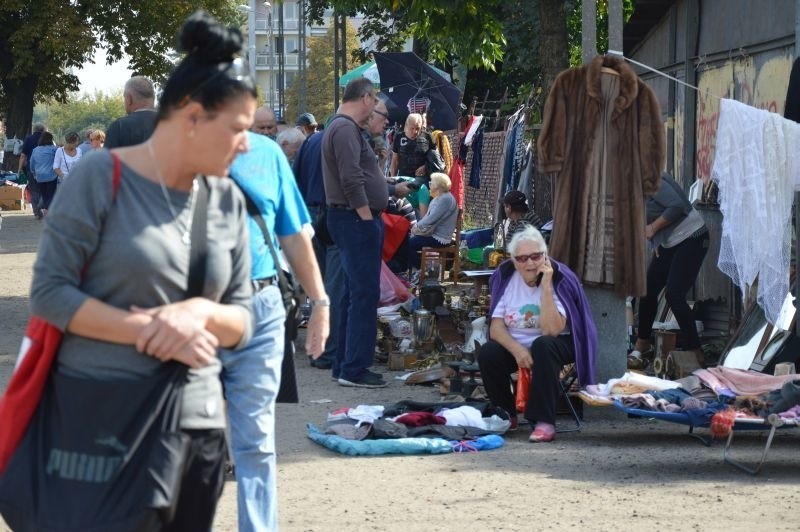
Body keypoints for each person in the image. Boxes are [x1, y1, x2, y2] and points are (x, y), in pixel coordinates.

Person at [29, 11, 257, 530]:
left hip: (196, 430)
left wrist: (198, 312)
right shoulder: (97, 177)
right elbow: (49, 294)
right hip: (102, 426)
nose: (246, 144)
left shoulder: (226, 199)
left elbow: (244, 319)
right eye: (238, 130)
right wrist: (151, 330)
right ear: (193, 116)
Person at [224, 131, 329, 531]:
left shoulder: (266, 154)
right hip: (191, 309)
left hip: (260, 303)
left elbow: (294, 234)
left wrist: (320, 303)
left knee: (255, 442)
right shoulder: (168, 148)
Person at [478, 226, 597, 443]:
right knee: (489, 352)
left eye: (535, 256)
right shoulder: (506, 278)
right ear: (514, 261)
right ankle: (505, 414)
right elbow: (495, 329)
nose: (530, 263)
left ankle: (545, 421)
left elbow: (551, 330)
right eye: (522, 259)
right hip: (518, 344)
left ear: (545, 255)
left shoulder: (559, 278)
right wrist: (518, 351)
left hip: (558, 342)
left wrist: (546, 287)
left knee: (544, 344)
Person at [321, 77, 388, 388]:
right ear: (365, 98)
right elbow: (350, 179)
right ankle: (354, 368)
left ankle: (344, 365)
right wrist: (364, 217)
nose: (374, 107)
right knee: (363, 295)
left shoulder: (341, 128)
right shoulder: (346, 129)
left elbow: (354, 176)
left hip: (348, 218)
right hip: (354, 220)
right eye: (374, 100)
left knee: (352, 293)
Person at [630, 172, 709, 367]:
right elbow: (654, 212)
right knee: (647, 289)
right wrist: (656, 241)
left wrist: (653, 229)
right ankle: (643, 345)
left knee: (674, 294)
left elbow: (676, 207)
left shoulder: (649, 178)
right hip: (669, 242)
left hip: (693, 237)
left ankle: (695, 352)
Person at [403, 172, 457, 271]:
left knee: (407, 244)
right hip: (433, 234)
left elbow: (431, 219)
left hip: (440, 237)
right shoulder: (440, 198)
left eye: (431, 183)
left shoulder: (445, 199)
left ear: (438, 186)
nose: (430, 185)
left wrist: (416, 227)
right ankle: (419, 269)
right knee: (407, 241)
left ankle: (421, 269)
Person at [104, 76, 157, 148]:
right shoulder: (172, 123)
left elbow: (107, 158)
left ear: (129, 99)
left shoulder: (119, 127)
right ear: (153, 98)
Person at [18, 124, 46, 217]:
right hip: (46, 169)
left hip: (31, 168)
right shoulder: (48, 139)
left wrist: (19, 169)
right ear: (43, 130)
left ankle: (37, 211)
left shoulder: (29, 139)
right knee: (45, 190)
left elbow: (23, 156)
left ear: (34, 130)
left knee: (34, 190)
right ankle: (43, 208)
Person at [28, 132, 58, 218]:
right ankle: (46, 210)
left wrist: (33, 172)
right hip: (51, 175)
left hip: (40, 176)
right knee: (51, 195)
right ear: (51, 139)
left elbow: (32, 163)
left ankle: (42, 208)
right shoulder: (54, 149)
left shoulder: (35, 150)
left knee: (44, 195)